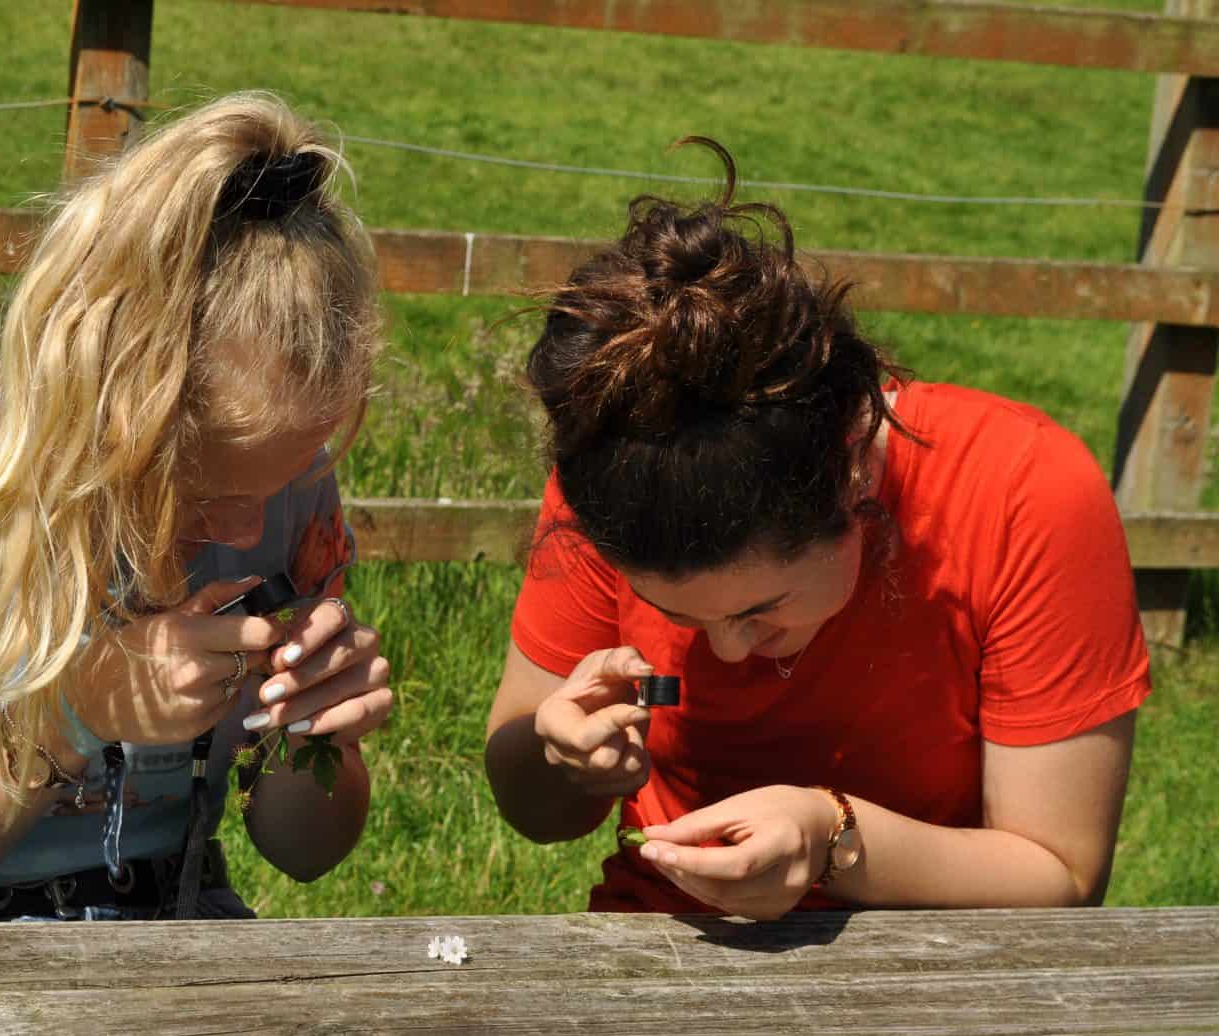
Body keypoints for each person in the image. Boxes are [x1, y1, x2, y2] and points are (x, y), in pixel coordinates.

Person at [0, 93, 392, 923]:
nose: (249, 530)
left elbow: (305, 851)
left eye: (278, 483)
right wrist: (74, 716)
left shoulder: (284, 479)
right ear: (92, 396)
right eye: (200, 488)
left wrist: (312, 741)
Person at [485, 140, 1149, 920]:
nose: (727, 650)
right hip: (666, 941)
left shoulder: (1024, 492)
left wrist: (830, 839)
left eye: (758, 607)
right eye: (676, 615)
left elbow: (1061, 877)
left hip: (945, 962)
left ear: (854, 474)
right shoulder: (618, 475)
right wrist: (563, 758)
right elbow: (530, 808)